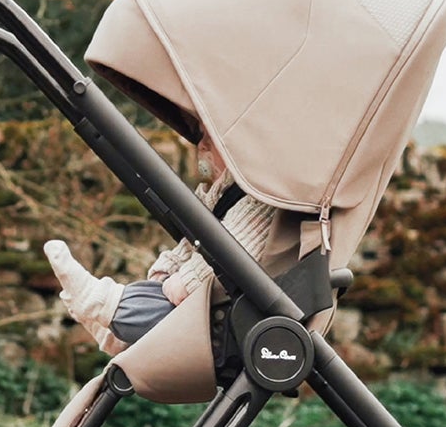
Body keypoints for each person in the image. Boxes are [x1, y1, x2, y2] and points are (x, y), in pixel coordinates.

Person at [44, 134, 278, 355]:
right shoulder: (226, 191)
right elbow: (193, 241)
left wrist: (185, 281)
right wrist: (166, 272)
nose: (201, 146)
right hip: (210, 295)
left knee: (170, 306)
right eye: (200, 138)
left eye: (210, 139)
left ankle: (103, 305)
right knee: (155, 291)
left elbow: (232, 253)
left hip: (229, 311)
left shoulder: (263, 196)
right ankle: (112, 329)